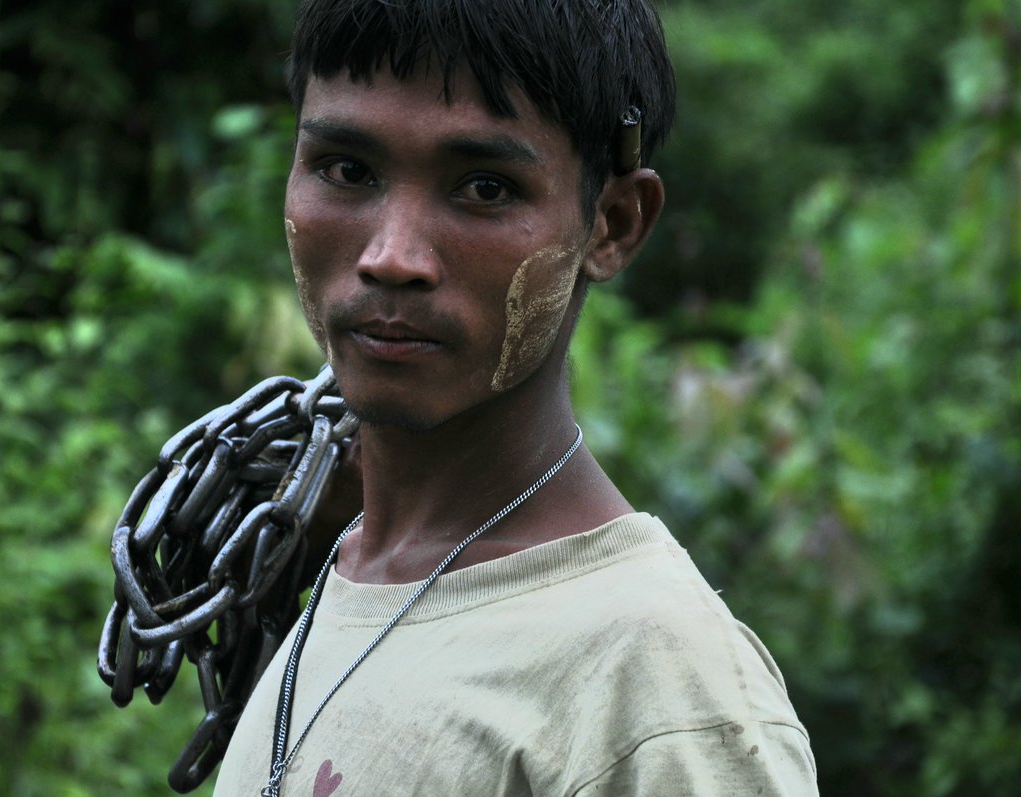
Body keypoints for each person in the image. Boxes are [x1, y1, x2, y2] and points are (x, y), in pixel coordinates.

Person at [214, 1, 818, 794]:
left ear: (611, 224)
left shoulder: (657, 697)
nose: (391, 256)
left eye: (485, 188)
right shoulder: (348, 571)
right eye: (346, 170)